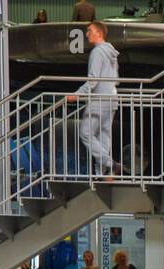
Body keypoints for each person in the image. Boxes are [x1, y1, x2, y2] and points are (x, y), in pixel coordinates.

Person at [68, 21, 119, 179]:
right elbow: (115, 78)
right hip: (112, 97)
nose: (87, 34)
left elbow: (93, 80)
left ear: (99, 34)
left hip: (99, 99)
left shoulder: (97, 52)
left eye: (90, 31)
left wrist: (77, 94)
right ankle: (102, 173)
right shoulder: (111, 53)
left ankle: (110, 164)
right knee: (104, 135)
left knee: (85, 133)